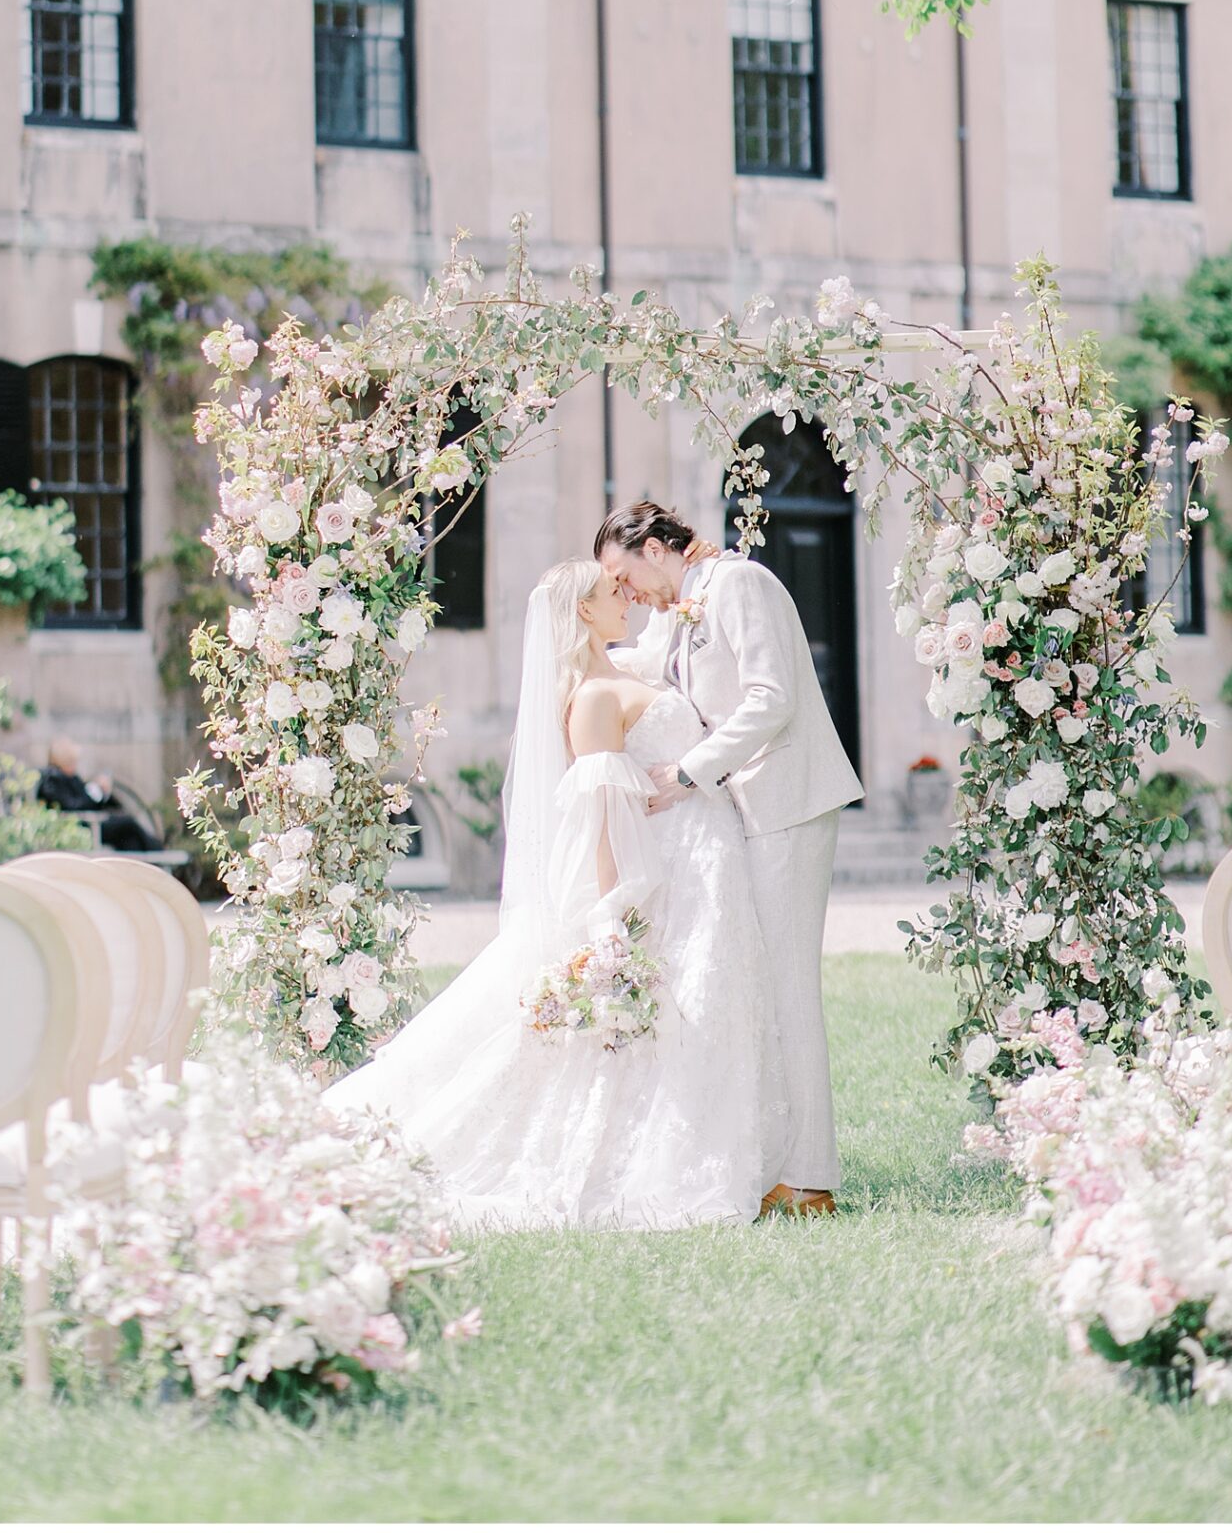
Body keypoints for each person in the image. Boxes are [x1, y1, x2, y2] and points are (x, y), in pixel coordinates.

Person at [323, 559, 786, 1228]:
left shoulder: (629, 668)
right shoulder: (594, 698)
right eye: (608, 594)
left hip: (700, 860)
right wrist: (610, 915)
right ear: (582, 613)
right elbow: (598, 814)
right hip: (658, 873)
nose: (623, 598)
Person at [595, 500, 864, 1218]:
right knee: (758, 987)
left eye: (624, 575)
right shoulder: (679, 603)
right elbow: (631, 662)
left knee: (787, 989)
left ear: (655, 548)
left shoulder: (740, 585)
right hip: (738, 813)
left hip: (785, 803)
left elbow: (770, 699)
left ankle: (810, 1178)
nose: (627, 594)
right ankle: (775, 1154)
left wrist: (687, 771)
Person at [35, 738, 162, 854]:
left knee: (129, 838)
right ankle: (158, 852)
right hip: (85, 826)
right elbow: (74, 807)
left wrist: (101, 791)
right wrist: (96, 791)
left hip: (90, 822)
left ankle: (146, 863)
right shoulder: (52, 780)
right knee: (128, 824)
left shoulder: (69, 778)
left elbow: (90, 800)